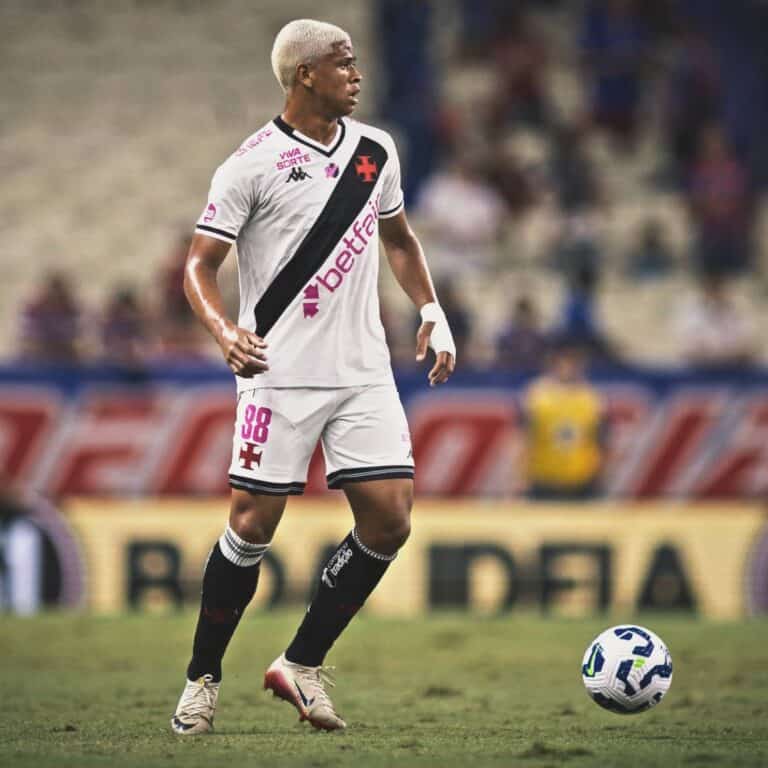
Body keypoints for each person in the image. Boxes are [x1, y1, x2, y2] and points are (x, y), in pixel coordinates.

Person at [171, 19, 456, 735]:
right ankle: (202, 679)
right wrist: (224, 330)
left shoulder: (375, 152)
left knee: (390, 520)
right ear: (305, 75)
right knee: (251, 525)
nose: (356, 75)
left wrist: (431, 308)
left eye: (356, 63)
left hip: (363, 371)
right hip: (279, 374)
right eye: (343, 64)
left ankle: (300, 663)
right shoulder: (251, 165)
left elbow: (399, 239)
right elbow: (198, 265)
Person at [520, 338, 606, 501]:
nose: (568, 367)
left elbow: (600, 441)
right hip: (544, 479)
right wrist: (522, 477)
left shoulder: (591, 398)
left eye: (573, 362)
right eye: (564, 361)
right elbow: (524, 437)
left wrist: (599, 475)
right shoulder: (537, 396)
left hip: (581, 480)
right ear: (553, 363)